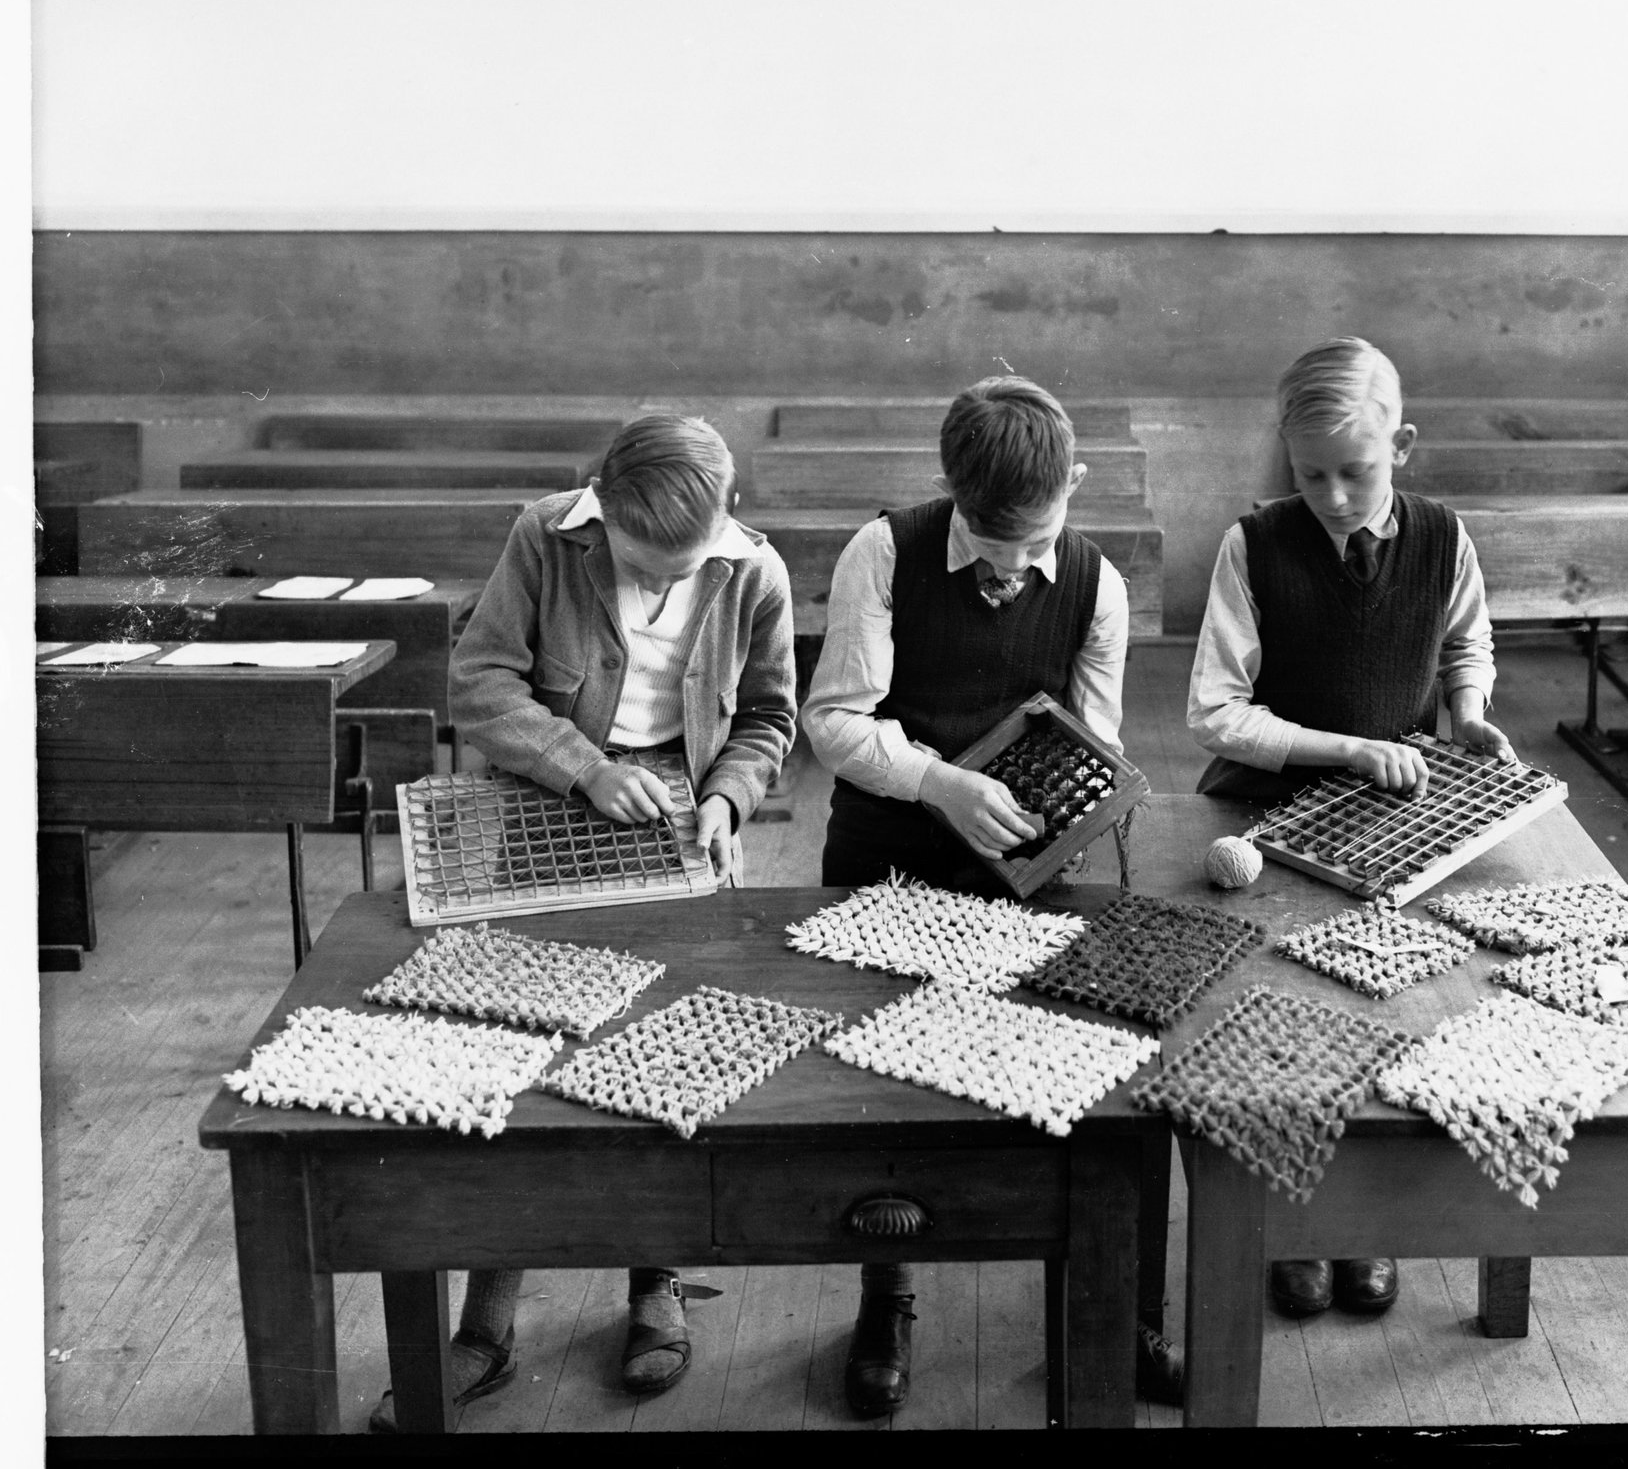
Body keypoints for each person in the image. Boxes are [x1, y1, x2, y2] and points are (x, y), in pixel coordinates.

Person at [369, 413, 796, 1431]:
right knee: (521, 1062)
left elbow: (770, 718)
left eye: (675, 571)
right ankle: (490, 1316)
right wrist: (588, 771)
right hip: (549, 804)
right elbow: (478, 686)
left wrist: (728, 800)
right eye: (639, 566)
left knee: (661, 1058)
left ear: (725, 520)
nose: (656, 587)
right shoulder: (543, 535)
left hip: (680, 824)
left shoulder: (752, 574)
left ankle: (653, 1286)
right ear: (601, 517)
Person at [802, 374, 1181, 1414]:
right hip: (890, 850)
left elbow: (1094, 744)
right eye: (990, 538)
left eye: (1035, 539)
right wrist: (938, 782)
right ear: (950, 490)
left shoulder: (1097, 583)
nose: (1013, 570)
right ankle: (888, 1300)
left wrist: (1072, 818)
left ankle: (1111, 1309)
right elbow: (832, 720)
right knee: (888, 1096)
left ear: (1076, 484)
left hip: (1029, 866)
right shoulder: (882, 551)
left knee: (1088, 1082)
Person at [1186, 337, 1513, 1321]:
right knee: (1277, 1012)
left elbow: (1465, 638)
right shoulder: (1254, 544)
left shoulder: (1444, 536)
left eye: (1355, 471)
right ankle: (1290, 1216)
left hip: (1390, 816)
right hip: (1265, 806)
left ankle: (1360, 1221)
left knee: (1385, 1012)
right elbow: (1214, 711)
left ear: (1400, 445)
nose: (1331, 495)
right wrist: (1345, 749)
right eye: (1309, 473)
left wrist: (1465, 708)